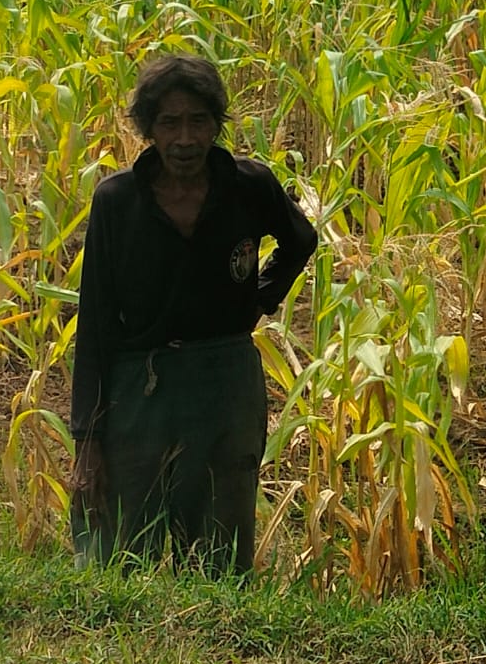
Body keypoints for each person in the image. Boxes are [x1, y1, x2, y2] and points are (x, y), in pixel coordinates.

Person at [69, 54, 317, 571]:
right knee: (118, 553)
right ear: (148, 130)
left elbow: (300, 239)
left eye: (199, 121)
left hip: (224, 386)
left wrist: (260, 298)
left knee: (219, 553)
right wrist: (87, 440)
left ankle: (213, 623)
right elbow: (94, 324)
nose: (185, 139)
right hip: (140, 389)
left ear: (216, 124)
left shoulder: (248, 186)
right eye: (170, 123)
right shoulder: (117, 201)